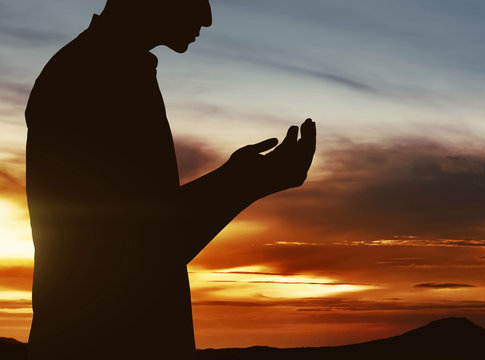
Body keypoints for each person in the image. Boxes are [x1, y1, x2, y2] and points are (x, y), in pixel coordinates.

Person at [24, 0, 316, 358]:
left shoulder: (109, 69)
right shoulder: (93, 77)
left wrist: (238, 178)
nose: (207, 18)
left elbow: (142, 225)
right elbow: (137, 251)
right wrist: (246, 182)